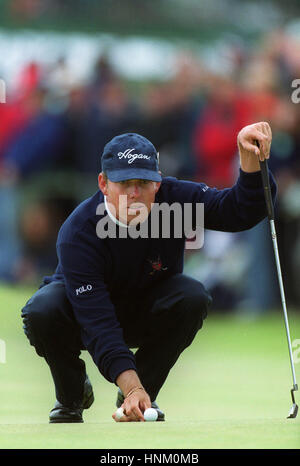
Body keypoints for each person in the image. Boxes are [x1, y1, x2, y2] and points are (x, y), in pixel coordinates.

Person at [21, 122, 276, 423]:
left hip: (146, 309)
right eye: (124, 183)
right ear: (103, 184)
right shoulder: (79, 230)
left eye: (143, 182)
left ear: (157, 183)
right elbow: (97, 320)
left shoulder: (176, 199)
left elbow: (238, 211)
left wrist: (250, 162)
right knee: (41, 311)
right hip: (84, 318)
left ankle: (144, 395)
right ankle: (72, 394)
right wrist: (129, 383)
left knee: (192, 296)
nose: (134, 193)